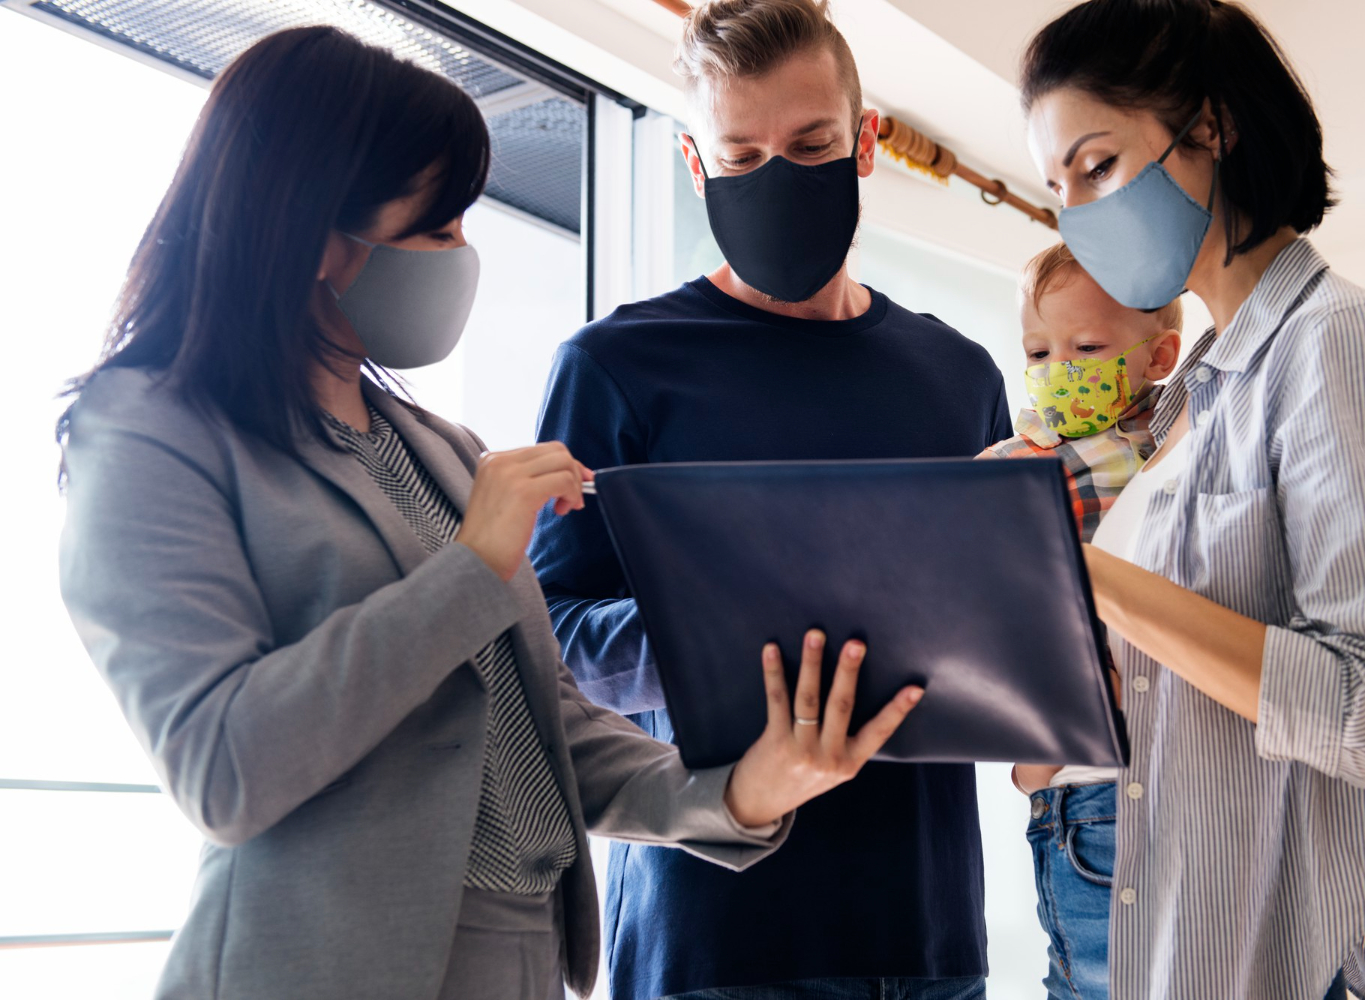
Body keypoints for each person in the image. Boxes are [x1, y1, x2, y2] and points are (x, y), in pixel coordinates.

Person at [54, 27, 923, 1000]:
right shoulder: (146, 429)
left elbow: (556, 732)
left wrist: (744, 791)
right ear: (312, 238)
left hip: (518, 960)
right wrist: (471, 568)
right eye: (436, 227)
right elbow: (221, 767)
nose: (462, 255)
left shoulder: (442, 449)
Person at [1018, 1, 1365, 998]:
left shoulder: (1340, 344)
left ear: (1210, 128)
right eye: (1056, 188)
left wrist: (1068, 563)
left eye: (1097, 166)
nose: (1077, 212)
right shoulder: (1199, 395)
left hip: (1358, 964)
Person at [527, 1, 1008, 997]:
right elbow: (548, 644)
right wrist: (733, 639)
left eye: (810, 143)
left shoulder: (959, 375)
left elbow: (996, 627)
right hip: (714, 935)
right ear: (694, 167)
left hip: (926, 937)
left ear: (864, 142)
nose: (775, 177)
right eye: (739, 157)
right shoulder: (616, 368)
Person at [979, 241, 1181, 999]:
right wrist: (1035, 758)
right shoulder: (1009, 467)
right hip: (1084, 778)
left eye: (1086, 347)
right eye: (1038, 349)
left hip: (1185, 756)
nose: (1056, 364)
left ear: (1158, 356)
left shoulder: (1186, 448)